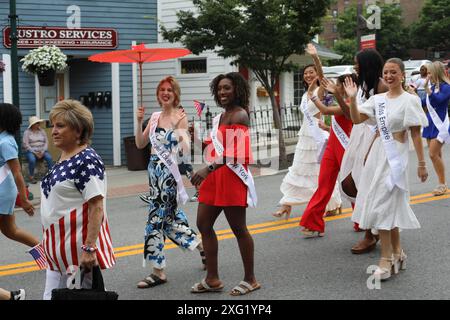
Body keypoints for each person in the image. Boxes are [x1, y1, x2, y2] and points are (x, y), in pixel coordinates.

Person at [344, 58, 428, 281]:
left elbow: (416, 134)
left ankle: (386, 259)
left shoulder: (410, 100)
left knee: (384, 204)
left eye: (393, 72)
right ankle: (398, 252)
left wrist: (421, 163)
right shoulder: (377, 99)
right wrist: (352, 99)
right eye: (386, 72)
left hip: (396, 157)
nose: (389, 76)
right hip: (377, 155)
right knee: (386, 204)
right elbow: (356, 119)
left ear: (402, 75)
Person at [190, 72, 260, 296]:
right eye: (219, 88)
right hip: (215, 177)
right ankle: (212, 278)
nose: (222, 92)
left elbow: (235, 153)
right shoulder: (220, 117)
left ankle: (250, 279)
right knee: (203, 224)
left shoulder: (240, 115)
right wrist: (195, 139)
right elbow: (211, 150)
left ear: (237, 89)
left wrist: (207, 169)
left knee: (239, 229)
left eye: (227, 88)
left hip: (231, 177)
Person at [40, 100, 116, 299]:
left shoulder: (87, 160)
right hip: (58, 252)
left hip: (77, 253)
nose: (54, 131)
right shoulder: (65, 155)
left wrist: (90, 248)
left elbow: (96, 206)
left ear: (78, 130)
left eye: (60, 126)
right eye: (53, 125)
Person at [134, 76, 205, 289]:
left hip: (169, 175)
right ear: (158, 94)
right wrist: (139, 121)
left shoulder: (180, 117)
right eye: (162, 89)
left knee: (155, 220)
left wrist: (175, 128)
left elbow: (185, 152)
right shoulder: (154, 117)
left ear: (175, 95)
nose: (165, 93)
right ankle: (203, 247)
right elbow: (140, 144)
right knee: (171, 219)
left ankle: (158, 271)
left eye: (169, 90)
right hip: (153, 173)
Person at [273, 43, 342, 220]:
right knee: (298, 170)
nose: (308, 75)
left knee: (321, 173)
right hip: (305, 136)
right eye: (305, 73)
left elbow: (321, 74)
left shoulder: (320, 91)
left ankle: (333, 203)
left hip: (317, 136)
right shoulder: (306, 94)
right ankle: (286, 204)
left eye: (311, 72)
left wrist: (315, 57)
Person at [338, 49, 388, 253]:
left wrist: (371, 150)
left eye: (357, 63)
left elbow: (385, 121)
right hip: (358, 135)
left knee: (366, 184)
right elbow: (352, 116)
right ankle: (374, 228)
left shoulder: (381, 85)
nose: (354, 67)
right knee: (349, 182)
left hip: (374, 138)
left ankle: (371, 234)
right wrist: (340, 96)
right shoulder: (361, 85)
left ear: (367, 64)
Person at [299, 74, 356, 237]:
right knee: (324, 186)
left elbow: (324, 109)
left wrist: (314, 97)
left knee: (352, 186)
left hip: (345, 149)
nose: (335, 87)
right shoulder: (341, 102)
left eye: (337, 85)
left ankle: (362, 221)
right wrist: (326, 129)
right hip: (332, 148)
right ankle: (313, 223)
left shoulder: (350, 104)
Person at [0, 103, 39, 250]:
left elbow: (17, 172)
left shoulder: (5, 143)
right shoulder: (3, 139)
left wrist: (24, 199)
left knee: (12, 231)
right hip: (4, 188)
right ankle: (46, 257)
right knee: (11, 231)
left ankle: (49, 258)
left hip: (2, 191)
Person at [421, 61, 450, 196]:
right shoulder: (431, 86)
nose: (428, 75)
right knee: (436, 155)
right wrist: (411, 94)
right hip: (430, 124)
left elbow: (439, 100)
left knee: (432, 154)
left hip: (441, 125)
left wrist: (427, 89)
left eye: (429, 72)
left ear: (436, 72)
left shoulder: (446, 87)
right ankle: (442, 182)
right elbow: (423, 104)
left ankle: (442, 184)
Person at [22, 116, 54, 184]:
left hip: (42, 150)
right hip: (31, 151)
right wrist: (35, 153)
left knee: (49, 158)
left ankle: (51, 175)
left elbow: (46, 142)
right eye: (37, 123)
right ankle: (31, 177)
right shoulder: (27, 132)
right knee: (32, 160)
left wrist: (42, 151)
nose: (39, 124)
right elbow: (26, 145)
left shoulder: (42, 131)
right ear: (32, 124)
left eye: (39, 123)